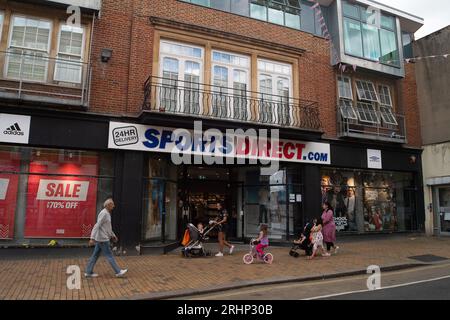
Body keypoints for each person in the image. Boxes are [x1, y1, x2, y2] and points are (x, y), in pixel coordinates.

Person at [85, 198, 128, 278]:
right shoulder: (104, 213)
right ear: (108, 205)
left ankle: (88, 272)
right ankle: (118, 271)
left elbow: (107, 227)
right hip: (103, 239)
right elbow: (97, 225)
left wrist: (113, 235)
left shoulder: (107, 213)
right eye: (112, 204)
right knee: (109, 255)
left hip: (102, 238)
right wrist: (92, 238)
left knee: (95, 255)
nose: (114, 206)